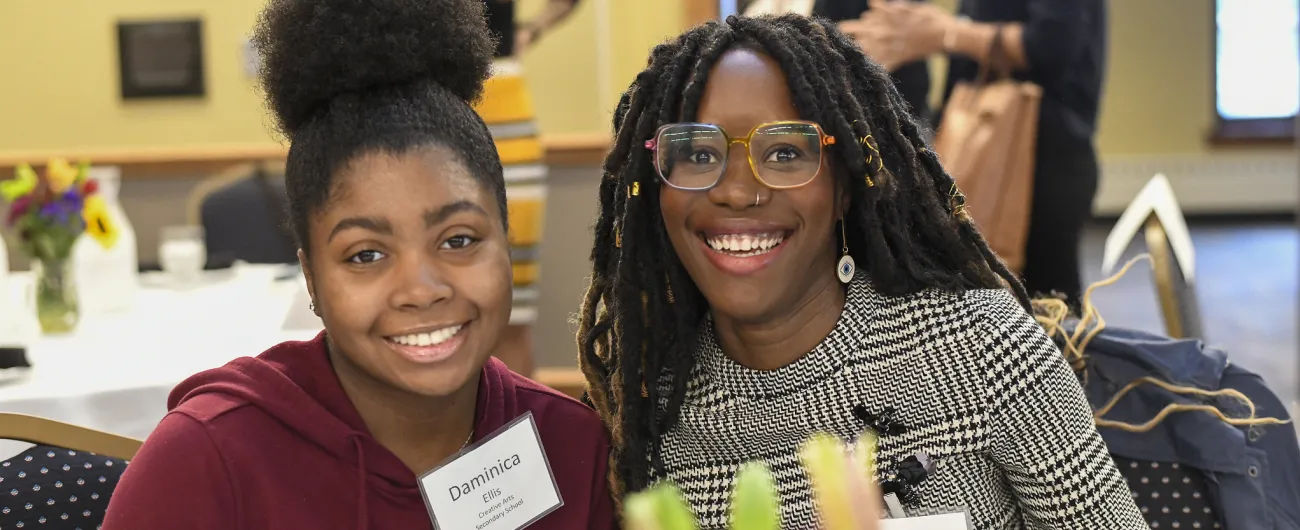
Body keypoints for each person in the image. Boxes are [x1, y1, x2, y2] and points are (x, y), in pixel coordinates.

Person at [577, 13, 1144, 530]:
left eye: (784, 153)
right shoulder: (651, 414)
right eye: (698, 154)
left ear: (844, 184)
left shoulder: (980, 349)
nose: (737, 191)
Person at [102, 0, 614, 528]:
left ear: (506, 247)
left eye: (458, 240)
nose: (420, 289)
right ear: (312, 280)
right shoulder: (208, 461)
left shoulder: (570, 450)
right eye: (365, 255)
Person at [845, 0, 1108, 306]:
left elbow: (1053, 44)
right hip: (1000, 151)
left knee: (1048, 311)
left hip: (1041, 159)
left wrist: (946, 33)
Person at [477, 0, 582, 377]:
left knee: (512, 313)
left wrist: (530, 30)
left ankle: (516, 435)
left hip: (503, 102)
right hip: (429, 108)